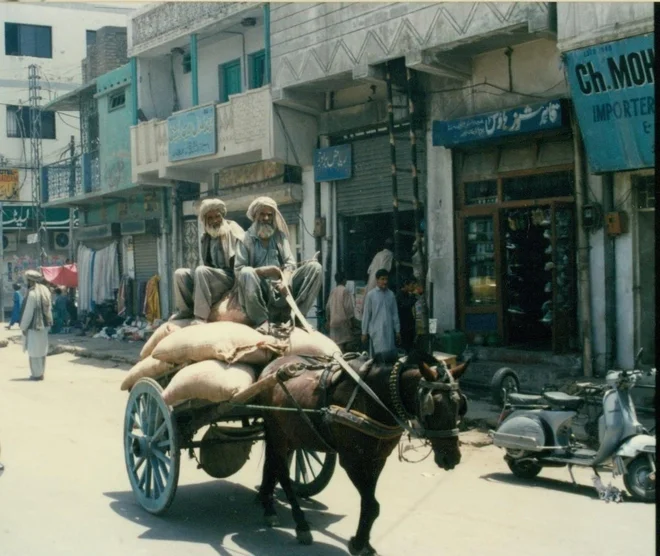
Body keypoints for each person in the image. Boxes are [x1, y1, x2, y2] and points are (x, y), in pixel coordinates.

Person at [235, 196, 322, 331]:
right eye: (262, 214)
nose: (266, 218)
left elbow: (290, 263)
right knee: (246, 272)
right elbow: (238, 271)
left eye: (269, 215)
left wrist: (286, 281)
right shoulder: (244, 239)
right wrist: (265, 270)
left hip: (282, 290)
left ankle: (298, 317)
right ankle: (261, 320)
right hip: (259, 292)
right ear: (255, 215)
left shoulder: (279, 236)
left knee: (315, 267)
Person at [172, 198, 245, 323]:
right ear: (205, 220)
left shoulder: (233, 229)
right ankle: (185, 311)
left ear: (222, 216)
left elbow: (244, 258)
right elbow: (207, 263)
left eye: (217, 216)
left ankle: (201, 317)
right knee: (180, 273)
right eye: (210, 218)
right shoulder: (206, 237)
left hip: (231, 276)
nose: (214, 221)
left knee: (202, 270)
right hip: (213, 276)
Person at [19, 270, 53, 381]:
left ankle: (36, 374)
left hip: (34, 327)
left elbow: (28, 312)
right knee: (42, 350)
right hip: (45, 326)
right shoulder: (45, 290)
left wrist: (23, 327)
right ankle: (41, 372)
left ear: (30, 281)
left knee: (34, 351)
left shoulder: (32, 293)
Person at [361, 268, 400, 360]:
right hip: (376, 331)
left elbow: (395, 314)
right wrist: (364, 332)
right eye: (382, 279)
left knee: (388, 355)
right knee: (377, 357)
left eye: (386, 279)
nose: (385, 282)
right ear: (377, 280)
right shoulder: (371, 295)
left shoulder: (391, 295)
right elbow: (366, 315)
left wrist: (397, 330)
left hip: (389, 331)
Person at [325, 272, 355, 351]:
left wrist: (328, 321)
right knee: (346, 345)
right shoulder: (345, 291)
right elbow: (349, 308)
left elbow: (327, 308)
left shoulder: (333, 291)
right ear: (344, 280)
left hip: (333, 322)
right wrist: (352, 322)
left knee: (337, 346)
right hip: (343, 322)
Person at [396, 278, 418, 352]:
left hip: (410, 325)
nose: (413, 287)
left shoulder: (408, 294)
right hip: (404, 326)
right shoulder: (400, 295)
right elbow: (406, 305)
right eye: (412, 285)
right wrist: (414, 296)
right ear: (406, 285)